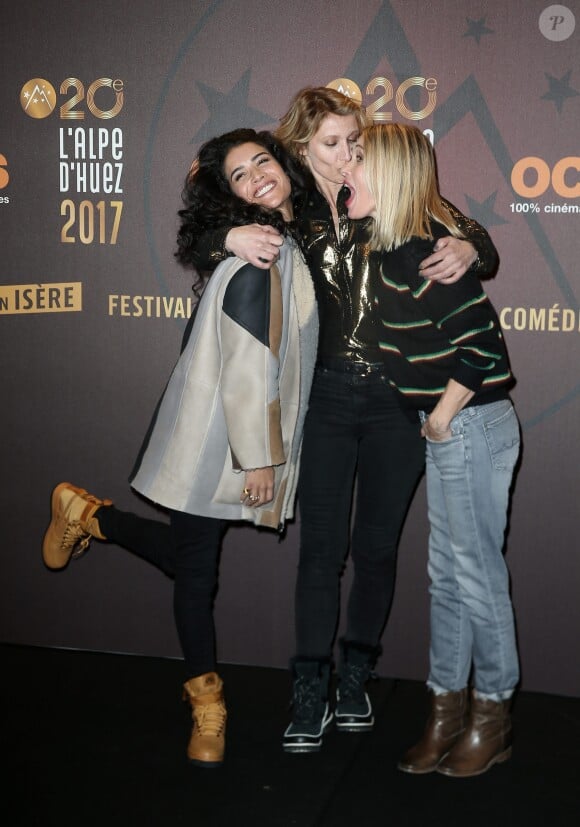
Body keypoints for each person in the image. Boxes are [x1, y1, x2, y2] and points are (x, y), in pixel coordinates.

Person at [189, 87, 500, 754]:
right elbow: (202, 231)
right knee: (320, 551)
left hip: (397, 401)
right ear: (299, 147)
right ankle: (310, 685)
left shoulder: (384, 193)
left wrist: (472, 248)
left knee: (379, 548)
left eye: (354, 142)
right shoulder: (289, 209)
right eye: (330, 144)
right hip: (325, 398)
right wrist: (226, 233)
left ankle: (356, 673)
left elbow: (471, 237)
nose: (346, 155)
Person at [41, 129, 319, 769]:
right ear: (231, 196)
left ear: (284, 166)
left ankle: (87, 515)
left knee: (190, 559)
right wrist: (259, 460)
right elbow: (250, 368)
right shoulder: (258, 255)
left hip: (239, 433)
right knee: (196, 572)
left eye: (262, 162)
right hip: (222, 442)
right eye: (240, 175)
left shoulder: (288, 239)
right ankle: (206, 702)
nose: (257, 177)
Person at [342, 122, 520, 777]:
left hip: (470, 424)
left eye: (358, 159)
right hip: (446, 429)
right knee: (447, 580)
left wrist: (441, 416)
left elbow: (484, 351)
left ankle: (494, 716)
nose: (344, 170)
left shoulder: (429, 255)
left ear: (390, 175)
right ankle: (447, 713)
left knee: (476, 580)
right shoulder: (381, 246)